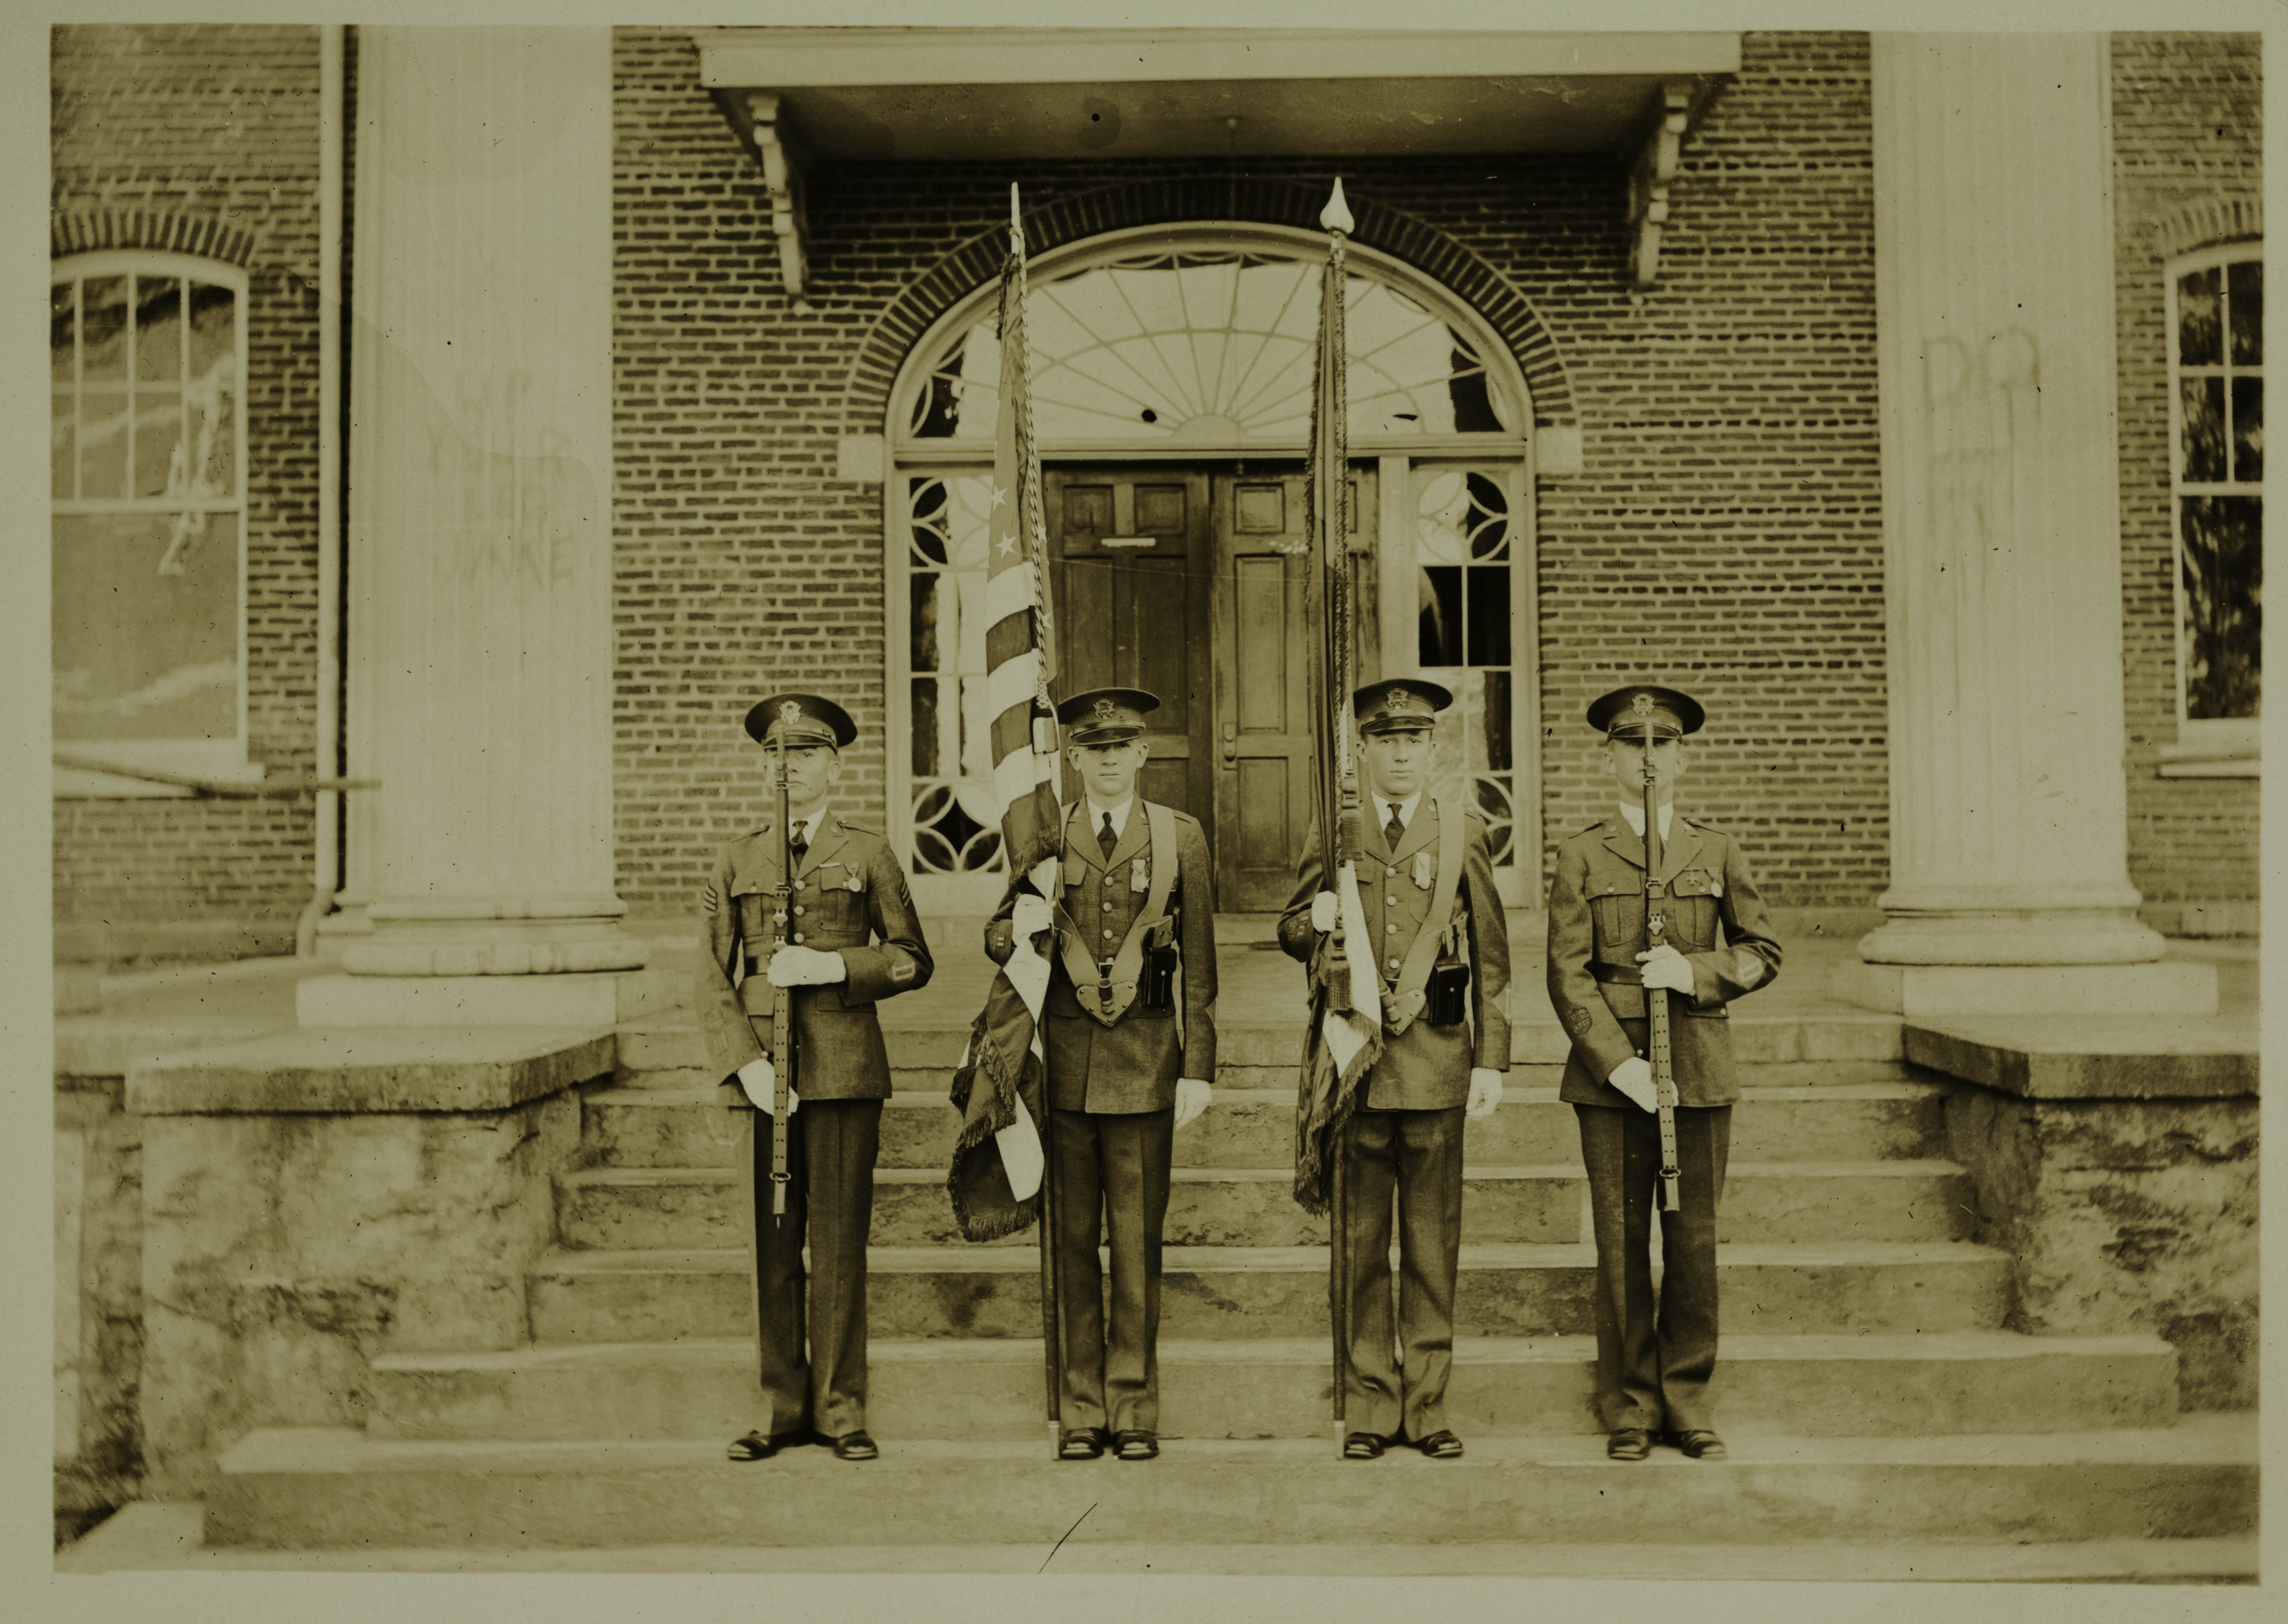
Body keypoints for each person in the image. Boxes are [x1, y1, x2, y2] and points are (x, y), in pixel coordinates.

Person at [1546, 684, 1782, 1462]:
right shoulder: (1582, 852)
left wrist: (1697, 973)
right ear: (1609, 755)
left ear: (1683, 755)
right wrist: (1619, 1067)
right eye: (1631, 745)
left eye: (1663, 746)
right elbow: (1567, 972)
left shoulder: (1717, 849)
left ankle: (1687, 1400)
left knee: (1694, 1241)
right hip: (1613, 1079)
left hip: (1701, 1067)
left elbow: (1762, 952)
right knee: (1620, 1246)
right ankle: (1630, 1408)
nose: (1648, 759)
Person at [695, 693, 934, 1463]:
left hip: (843, 1070)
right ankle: (781, 1407)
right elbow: (707, 973)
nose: (787, 767)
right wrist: (746, 1063)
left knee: (837, 1245)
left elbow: (910, 959)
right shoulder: (737, 857)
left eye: (803, 754)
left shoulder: (868, 852)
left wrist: (837, 964)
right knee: (773, 1245)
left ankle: (839, 1408)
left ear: (835, 764)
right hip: (765, 1076)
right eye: (775, 754)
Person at [984, 686, 1218, 1462]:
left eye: (1123, 748)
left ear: (1144, 755)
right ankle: (1081, 1408)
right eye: (1095, 749)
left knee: (1138, 1247)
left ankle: (1134, 1407)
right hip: (1068, 1067)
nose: (1110, 761)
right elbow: (1000, 933)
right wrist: (1013, 928)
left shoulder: (1182, 837)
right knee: (1074, 1245)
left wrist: (1200, 1068)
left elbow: (1203, 970)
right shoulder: (1045, 842)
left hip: (1149, 1065)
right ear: (1073, 758)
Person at [1279, 678, 1509, 1461]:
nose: (1402, 753)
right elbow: (1291, 926)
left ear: (1433, 750)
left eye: (1415, 740)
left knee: (1433, 1246)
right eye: (1386, 740)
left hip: (1438, 1059)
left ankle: (1430, 1405)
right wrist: (1309, 924)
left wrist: (1493, 1060)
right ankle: (1373, 1406)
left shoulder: (1460, 829)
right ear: (1366, 750)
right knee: (1361, 1245)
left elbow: (1492, 954)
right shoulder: (1339, 828)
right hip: (1357, 1067)